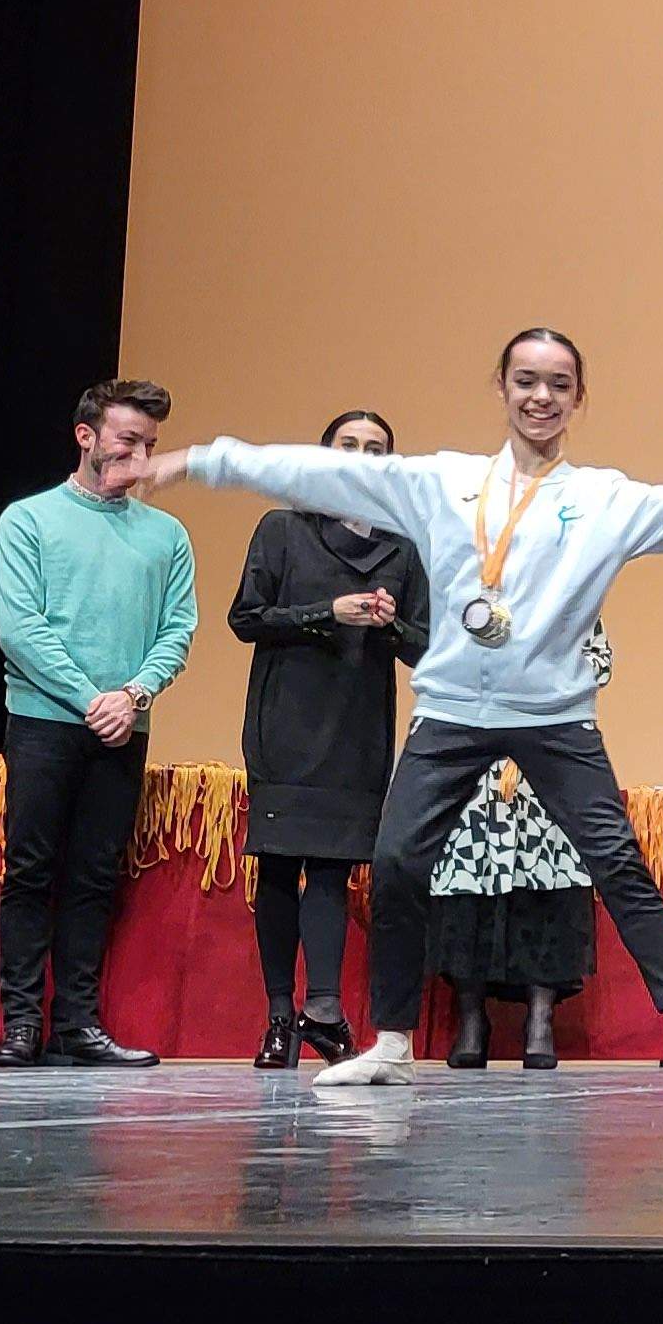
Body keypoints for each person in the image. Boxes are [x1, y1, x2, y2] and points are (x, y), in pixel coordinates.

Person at [149, 326, 663, 1089]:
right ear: (501, 389)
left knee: (616, 860)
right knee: (397, 862)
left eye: (559, 384)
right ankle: (392, 1042)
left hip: (553, 715)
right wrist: (205, 460)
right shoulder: (444, 484)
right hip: (452, 711)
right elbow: (321, 473)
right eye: (527, 381)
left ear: (578, 398)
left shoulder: (602, 500)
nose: (541, 397)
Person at [0, 377, 196, 1069]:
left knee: (94, 877)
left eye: (150, 445)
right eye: (128, 440)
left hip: (124, 726)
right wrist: (90, 698)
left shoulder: (167, 534)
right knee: (31, 872)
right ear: (86, 436)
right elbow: (21, 630)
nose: (141, 457)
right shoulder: (28, 519)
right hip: (44, 723)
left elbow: (177, 629)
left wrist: (132, 695)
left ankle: (77, 1024)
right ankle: (21, 1024)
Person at [229, 408, 427, 1069]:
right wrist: (328, 612)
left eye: (375, 449)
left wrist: (390, 623)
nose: (361, 457)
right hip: (286, 721)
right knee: (278, 864)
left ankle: (324, 1011)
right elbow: (247, 617)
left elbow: (424, 646)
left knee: (333, 873)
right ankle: (278, 1017)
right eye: (349, 445)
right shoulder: (283, 529)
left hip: (356, 725)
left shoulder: (401, 547)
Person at [429, 625, 613, 1071]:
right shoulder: (467, 596)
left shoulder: (569, 597)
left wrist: (540, 679)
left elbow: (599, 662)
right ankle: (472, 1021)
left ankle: (540, 1021)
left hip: (549, 754)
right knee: (466, 887)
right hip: (473, 753)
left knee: (548, 888)